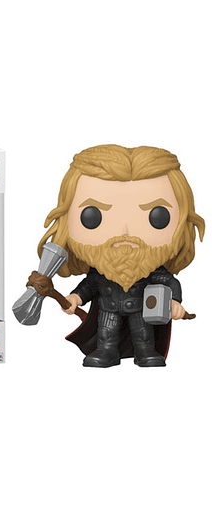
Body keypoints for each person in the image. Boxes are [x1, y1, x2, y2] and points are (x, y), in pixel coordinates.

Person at [38, 145, 205, 367]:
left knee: (143, 334)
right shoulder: (101, 271)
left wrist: (175, 301)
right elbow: (89, 286)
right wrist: (76, 298)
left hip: (141, 310)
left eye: (157, 217)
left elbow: (170, 282)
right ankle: (106, 352)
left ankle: (145, 352)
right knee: (106, 333)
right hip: (109, 309)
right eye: (92, 216)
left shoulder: (150, 270)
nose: (125, 231)